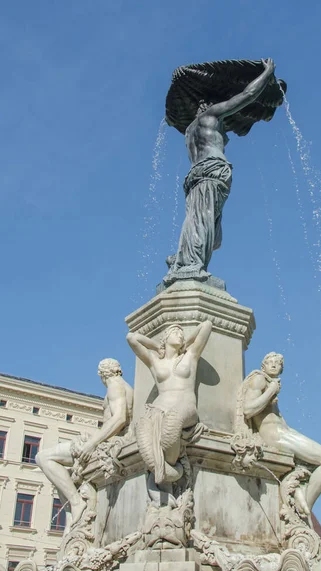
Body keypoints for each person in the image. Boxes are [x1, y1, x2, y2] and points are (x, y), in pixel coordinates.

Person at [163, 58, 277, 285]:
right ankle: (190, 265)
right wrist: (267, 73)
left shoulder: (188, 131)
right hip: (213, 171)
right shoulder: (211, 115)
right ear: (206, 105)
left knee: (207, 228)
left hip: (196, 175)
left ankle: (185, 256)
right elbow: (246, 96)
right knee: (203, 219)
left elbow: (169, 121)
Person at [36, 359, 133, 527]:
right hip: (108, 442)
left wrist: (91, 443)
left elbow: (119, 419)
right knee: (64, 473)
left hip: (106, 446)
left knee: (43, 457)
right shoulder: (124, 385)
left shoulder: (114, 385)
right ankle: (74, 516)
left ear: (102, 374)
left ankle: (76, 503)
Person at [239, 352, 321, 515]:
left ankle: (300, 494)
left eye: (277, 363)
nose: (273, 365)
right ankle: (301, 512)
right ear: (263, 366)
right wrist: (271, 391)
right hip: (275, 436)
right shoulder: (260, 379)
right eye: (269, 362)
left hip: (283, 432)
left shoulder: (270, 383)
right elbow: (248, 410)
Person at [126, 320, 212, 494]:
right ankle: (165, 476)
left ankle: (170, 473)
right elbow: (132, 338)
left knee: (172, 421)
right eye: (175, 332)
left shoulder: (191, 355)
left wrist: (185, 343)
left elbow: (207, 325)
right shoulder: (154, 361)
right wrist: (157, 346)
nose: (180, 334)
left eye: (181, 332)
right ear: (165, 338)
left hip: (185, 407)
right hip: (157, 409)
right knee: (142, 429)